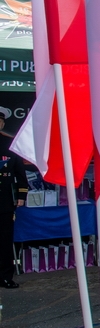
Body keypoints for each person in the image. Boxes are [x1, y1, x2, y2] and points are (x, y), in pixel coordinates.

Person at [0, 107, 27, 289]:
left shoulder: (9, 145)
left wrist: (21, 195)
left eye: (0, 121)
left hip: (4, 203)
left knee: (4, 241)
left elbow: (20, 173)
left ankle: (5, 277)